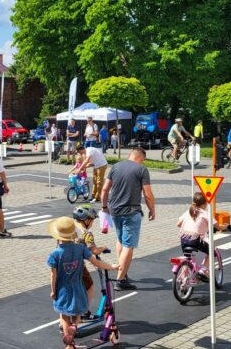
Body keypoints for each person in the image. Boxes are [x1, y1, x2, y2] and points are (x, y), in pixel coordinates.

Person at [47, 217, 119, 349]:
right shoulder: (80, 248)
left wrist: (53, 290)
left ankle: (70, 344)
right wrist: (111, 267)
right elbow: (96, 262)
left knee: (64, 315)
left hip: (62, 289)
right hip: (78, 286)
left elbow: (53, 275)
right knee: (79, 310)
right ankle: (75, 325)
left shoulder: (55, 254)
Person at [100, 147, 155, 291]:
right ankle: (120, 280)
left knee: (120, 240)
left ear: (130, 155)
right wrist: (152, 210)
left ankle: (122, 272)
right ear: (141, 158)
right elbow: (148, 194)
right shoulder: (141, 170)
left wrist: (104, 207)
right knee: (128, 245)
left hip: (114, 211)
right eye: (143, 160)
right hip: (131, 212)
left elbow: (105, 189)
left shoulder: (115, 166)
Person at [73, 205, 108, 321]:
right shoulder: (86, 233)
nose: (92, 223)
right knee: (89, 286)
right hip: (77, 266)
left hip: (63, 265)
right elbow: (94, 251)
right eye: (92, 220)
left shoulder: (68, 229)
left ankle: (65, 319)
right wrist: (103, 248)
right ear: (86, 220)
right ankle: (84, 312)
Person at [177, 191, 212, 277]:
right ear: (204, 204)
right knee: (211, 251)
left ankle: (183, 280)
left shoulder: (188, 211)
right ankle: (203, 269)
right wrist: (224, 226)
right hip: (195, 240)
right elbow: (216, 225)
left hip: (184, 239)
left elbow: (178, 224)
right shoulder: (205, 214)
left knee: (187, 258)